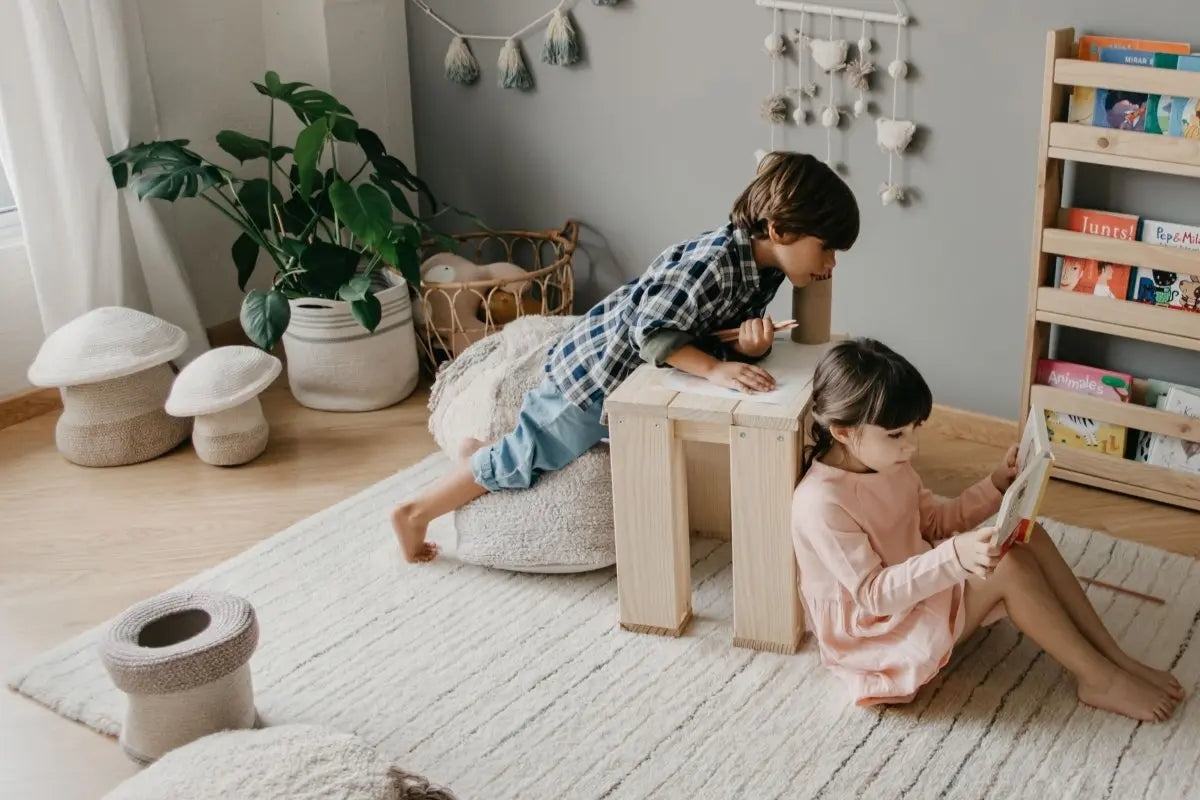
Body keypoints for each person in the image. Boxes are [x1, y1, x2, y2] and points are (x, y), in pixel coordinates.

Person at [392, 150, 860, 563]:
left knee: (540, 445)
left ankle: (473, 453)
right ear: (779, 229)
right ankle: (416, 513)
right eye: (827, 249)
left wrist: (745, 344)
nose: (831, 265)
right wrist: (716, 369)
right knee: (524, 459)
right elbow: (652, 334)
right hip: (591, 381)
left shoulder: (765, 265)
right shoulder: (711, 264)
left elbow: (704, 326)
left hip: (635, 379)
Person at [791, 337, 1184, 722]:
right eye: (897, 435)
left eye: (915, 428)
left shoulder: (888, 463)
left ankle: (1112, 656)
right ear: (842, 431)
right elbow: (874, 596)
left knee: (1029, 535)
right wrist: (954, 558)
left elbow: (932, 523)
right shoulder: (821, 503)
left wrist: (995, 486)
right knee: (1007, 567)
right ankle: (1100, 679)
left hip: (917, 587)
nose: (911, 446)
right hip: (878, 636)